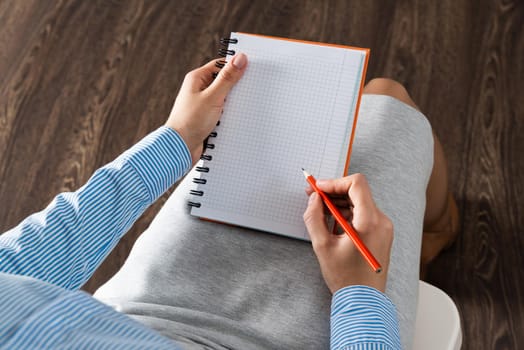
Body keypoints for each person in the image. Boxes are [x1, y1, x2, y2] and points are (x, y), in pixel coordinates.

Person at [0, 53, 458, 349]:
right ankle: (437, 231)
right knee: (386, 97)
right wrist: (359, 294)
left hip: (134, 313)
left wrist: (177, 141)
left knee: (368, 110)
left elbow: (17, 265)